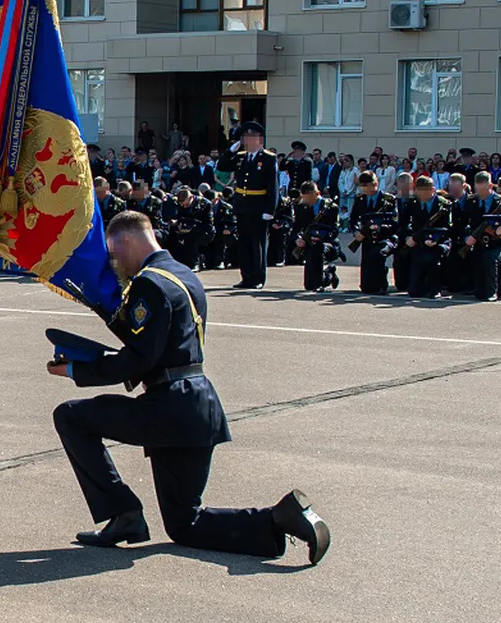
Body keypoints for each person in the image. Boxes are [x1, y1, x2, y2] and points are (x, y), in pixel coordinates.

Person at [48, 211, 329, 563]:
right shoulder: (184, 274)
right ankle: (280, 517)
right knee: (185, 524)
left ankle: (122, 513)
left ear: (128, 239)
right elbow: (162, 345)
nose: (115, 264)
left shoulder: (149, 283)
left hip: (168, 407)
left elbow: (139, 358)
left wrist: (77, 370)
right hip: (197, 405)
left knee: (71, 416)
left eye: (115, 253)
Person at [215, 122, 278, 290]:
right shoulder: (241, 156)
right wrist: (231, 150)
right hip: (242, 205)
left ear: (260, 140)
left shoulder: (268, 158)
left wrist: (269, 210)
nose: (248, 141)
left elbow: (272, 186)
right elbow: (221, 166)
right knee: (244, 243)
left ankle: (258, 277)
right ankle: (246, 277)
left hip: (258, 206)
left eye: (252, 137)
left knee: (257, 244)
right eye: (246, 138)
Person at [460, 171, 501, 302]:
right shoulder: (471, 201)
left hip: (499, 244)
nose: (480, 193)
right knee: (479, 292)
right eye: (477, 189)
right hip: (479, 244)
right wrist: (467, 236)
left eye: (482, 189)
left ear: (490, 186)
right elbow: (462, 223)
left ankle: (492, 292)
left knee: (490, 259)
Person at [402, 176, 452, 298]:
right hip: (418, 242)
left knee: (433, 259)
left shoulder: (444, 205)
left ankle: (436, 288)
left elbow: (448, 227)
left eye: (426, 191)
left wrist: (436, 240)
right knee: (414, 292)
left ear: (433, 190)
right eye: (420, 191)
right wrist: (408, 237)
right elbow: (405, 224)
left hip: (438, 242)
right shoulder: (412, 203)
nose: (422, 195)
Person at [350, 170, 397, 294]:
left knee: (377, 255)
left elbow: (394, 222)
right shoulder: (360, 199)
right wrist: (356, 232)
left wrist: (381, 227)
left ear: (375, 184)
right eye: (362, 186)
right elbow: (353, 219)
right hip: (367, 237)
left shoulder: (388, 199)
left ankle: (381, 284)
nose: (364, 189)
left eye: (367, 185)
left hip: (385, 237)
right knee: (366, 287)